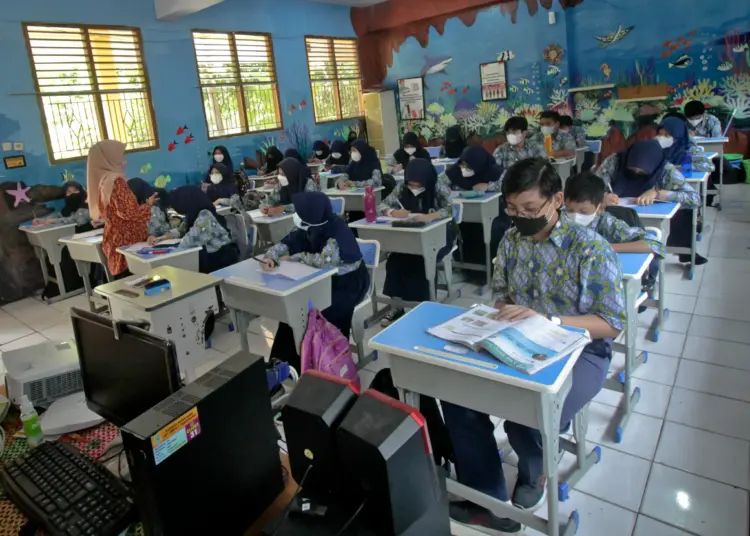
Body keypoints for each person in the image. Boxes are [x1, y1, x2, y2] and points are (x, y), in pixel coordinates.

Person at [445, 158, 626, 533]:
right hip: (517, 340)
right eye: (511, 209)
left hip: (581, 350)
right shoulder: (512, 240)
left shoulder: (590, 248)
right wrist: (500, 317)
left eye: (529, 209)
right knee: (457, 396)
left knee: (527, 415)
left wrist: (551, 321)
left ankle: (535, 473)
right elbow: (501, 296)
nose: (519, 217)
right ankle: (487, 496)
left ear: (557, 200)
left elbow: (611, 323)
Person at [262, 192, 370, 372]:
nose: (296, 215)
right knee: (294, 312)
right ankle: (285, 366)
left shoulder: (337, 230)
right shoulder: (308, 226)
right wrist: (271, 257)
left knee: (315, 313)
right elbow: (285, 243)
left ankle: (328, 359)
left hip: (347, 284)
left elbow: (324, 261)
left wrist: (298, 257)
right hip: (319, 281)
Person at [597, 139, 704, 265]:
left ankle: (652, 269)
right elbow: (591, 186)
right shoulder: (614, 161)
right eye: (632, 169)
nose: (636, 174)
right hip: (614, 213)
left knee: (654, 240)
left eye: (642, 172)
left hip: (650, 213)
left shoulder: (665, 170)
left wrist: (658, 193)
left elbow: (695, 199)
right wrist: (602, 195)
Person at [378, 159, 455, 326]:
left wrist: (429, 216)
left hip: (440, 236)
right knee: (395, 260)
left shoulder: (438, 187)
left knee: (421, 260)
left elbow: (451, 209)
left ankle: (422, 308)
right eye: (410, 184)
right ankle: (397, 306)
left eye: (417, 184)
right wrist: (393, 211)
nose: (413, 188)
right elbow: (382, 205)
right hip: (410, 237)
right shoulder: (401, 188)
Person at [87, 140, 156, 278]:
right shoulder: (116, 182)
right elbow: (128, 212)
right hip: (127, 242)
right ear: (109, 159)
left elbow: (112, 211)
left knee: (126, 285)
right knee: (135, 283)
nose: (124, 160)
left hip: (115, 237)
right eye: (121, 156)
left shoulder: (103, 181)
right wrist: (148, 205)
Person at [564, 172, 664, 256]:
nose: (576, 216)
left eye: (584, 211)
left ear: (600, 208)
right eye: (570, 210)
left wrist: (607, 247)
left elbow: (654, 244)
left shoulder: (606, 223)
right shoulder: (559, 219)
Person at [442, 146, 510, 269]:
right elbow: (440, 184)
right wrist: (455, 192)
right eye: (462, 164)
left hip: (494, 215)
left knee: (491, 232)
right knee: (458, 229)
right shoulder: (454, 171)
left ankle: (488, 269)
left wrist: (488, 186)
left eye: (468, 166)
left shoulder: (495, 172)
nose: (464, 169)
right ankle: (465, 268)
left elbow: (507, 185)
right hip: (465, 216)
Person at [164, 186, 239, 273]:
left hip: (220, 261)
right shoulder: (192, 213)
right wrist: (166, 236)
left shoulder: (205, 215)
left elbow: (191, 240)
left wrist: (167, 253)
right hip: (208, 258)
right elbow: (182, 229)